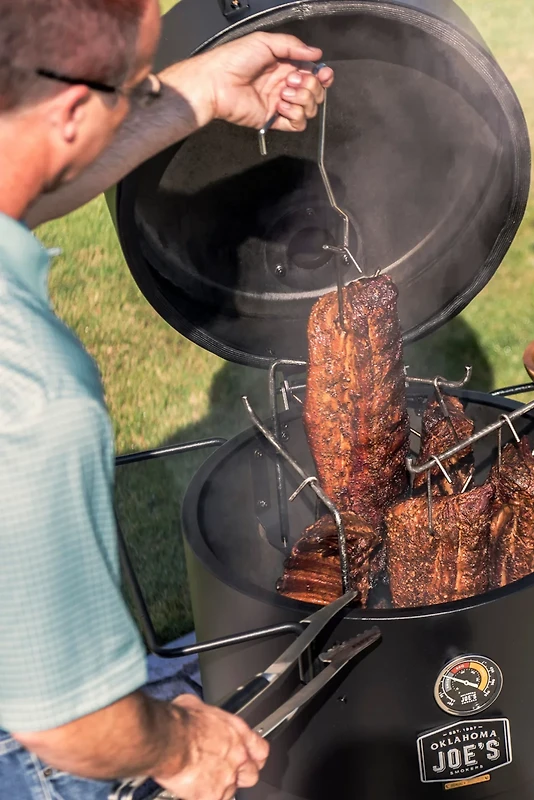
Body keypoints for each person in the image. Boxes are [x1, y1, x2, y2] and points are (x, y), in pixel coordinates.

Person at [0, 0, 334, 798]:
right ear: (74, 109)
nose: (141, 95)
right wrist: (181, 745)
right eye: (130, 87)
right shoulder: (31, 393)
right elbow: (67, 720)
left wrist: (198, 89)